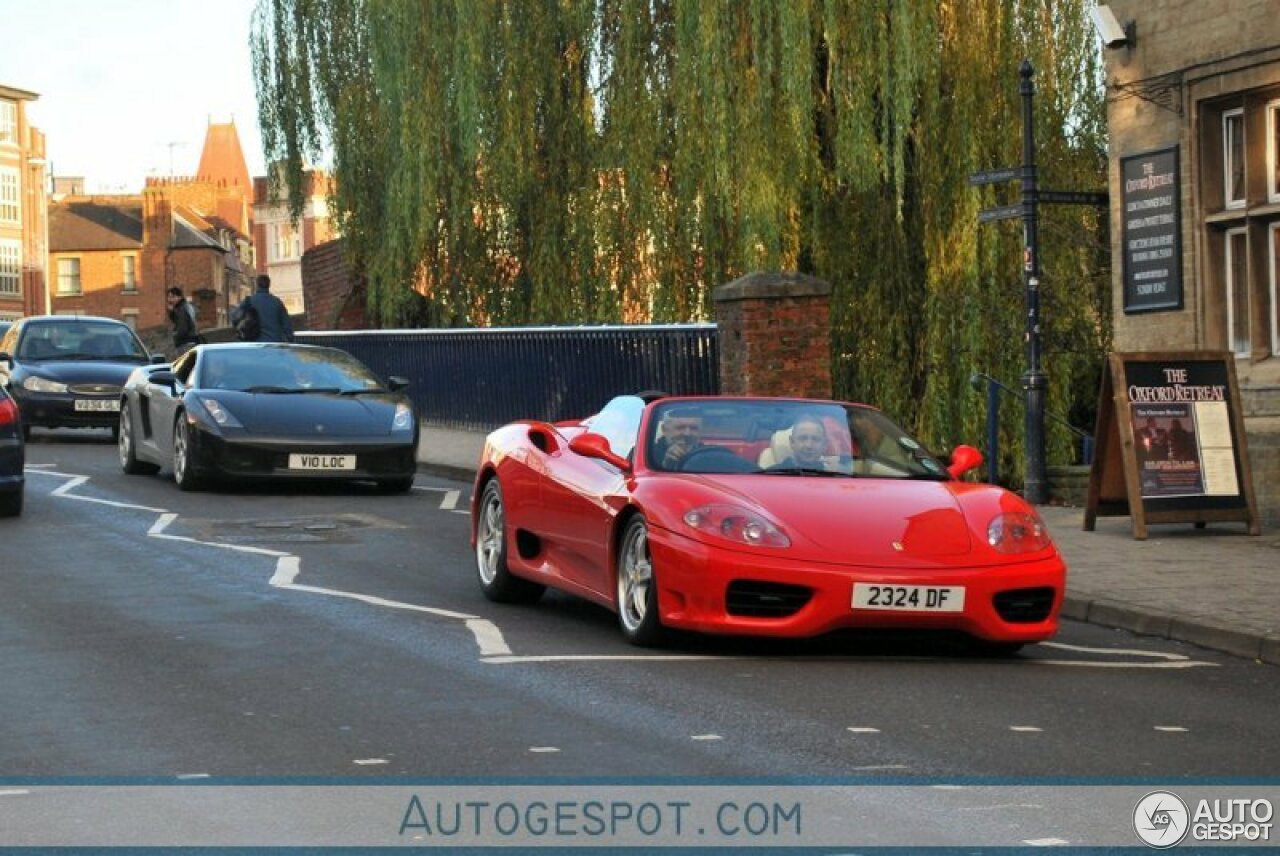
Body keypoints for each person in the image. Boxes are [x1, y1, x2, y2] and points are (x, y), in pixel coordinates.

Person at [233, 274, 294, 343]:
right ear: (269, 285)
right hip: (274, 344)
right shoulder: (277, 302)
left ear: (257, 285)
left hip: (254, 344)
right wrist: (289, 340)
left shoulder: (249, 301)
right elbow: (287, 325)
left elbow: (235, 317)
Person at [166, 287, 200, 353]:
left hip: (185, 343)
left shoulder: (182, 309)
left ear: (179, 297)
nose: (170, 300)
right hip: (191, 341)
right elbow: (177, 321)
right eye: (169, 297)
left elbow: (182, 328)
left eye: (172, 297)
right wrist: (172, 313)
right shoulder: (185, 306)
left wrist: (176, 339)